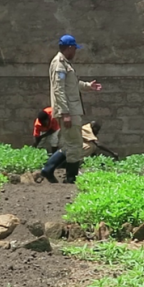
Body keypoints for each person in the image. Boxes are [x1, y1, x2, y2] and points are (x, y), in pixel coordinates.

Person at [37, 35, 102, 184]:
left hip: (71, 110)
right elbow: (59, 90)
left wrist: (87, 86)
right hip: (69, 111)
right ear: (70, 48)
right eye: (75, 49)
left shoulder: (65, 64)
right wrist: (66, 113)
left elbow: (71, 84)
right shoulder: (59, 64)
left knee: (70, 144)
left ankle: (48, 169)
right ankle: (70, 178)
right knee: (75, 145)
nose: (76, 53)